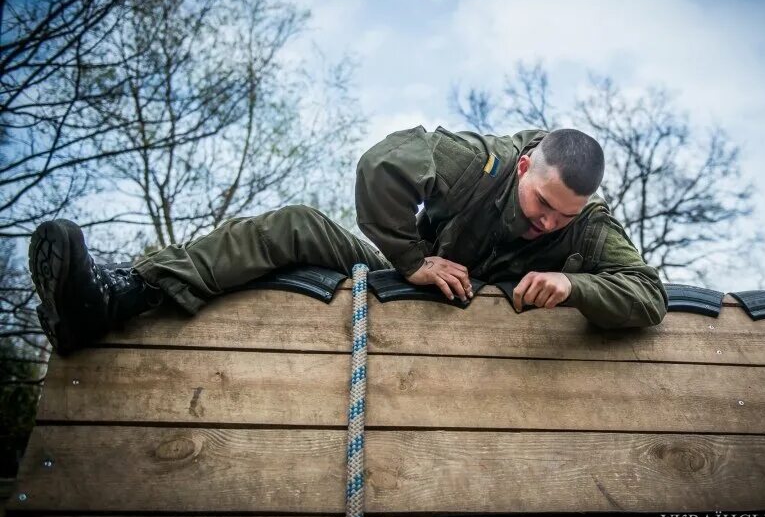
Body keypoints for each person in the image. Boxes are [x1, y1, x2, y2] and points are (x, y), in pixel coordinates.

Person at [29, 125, 668, 355]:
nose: (549, 223)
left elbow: (648, 296)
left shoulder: (589, 222)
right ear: (526, 165)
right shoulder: (480, 161)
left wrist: (574, 283)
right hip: (415, 285)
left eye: (564, 216)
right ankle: (118, 296)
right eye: (542, 206)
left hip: (492, 330)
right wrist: (414, 261)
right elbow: (381, 166)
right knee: (298, 224)